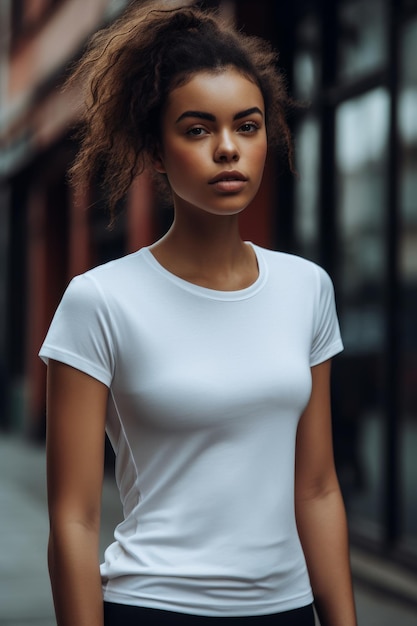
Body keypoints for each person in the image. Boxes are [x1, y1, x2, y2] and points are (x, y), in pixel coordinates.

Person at [39, 2, 358, 625]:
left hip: (286, 610)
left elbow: (317, 487)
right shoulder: (100, 300)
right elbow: (73, 520)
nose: (227, 149)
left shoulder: (306, 289)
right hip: (154, 607)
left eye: (247, 125)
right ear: (156, 152)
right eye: (196, 129)